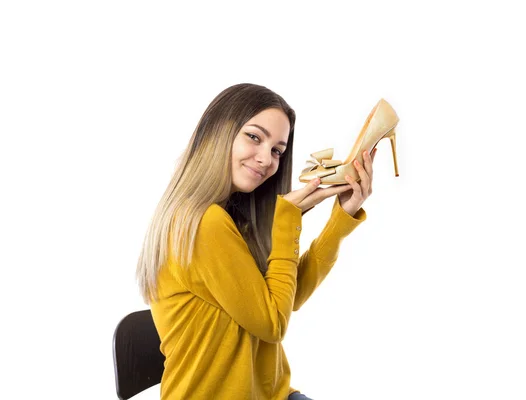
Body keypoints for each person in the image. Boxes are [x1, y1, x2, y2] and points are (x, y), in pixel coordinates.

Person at [136, 83, 377, 399]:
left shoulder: (228, 217)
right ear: (217, 133)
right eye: (254, 137)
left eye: (277, 149)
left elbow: (285, 300)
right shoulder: (203, 222)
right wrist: (287, 220)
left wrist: (339, 221)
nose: (267, 159)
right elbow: (273, 324)